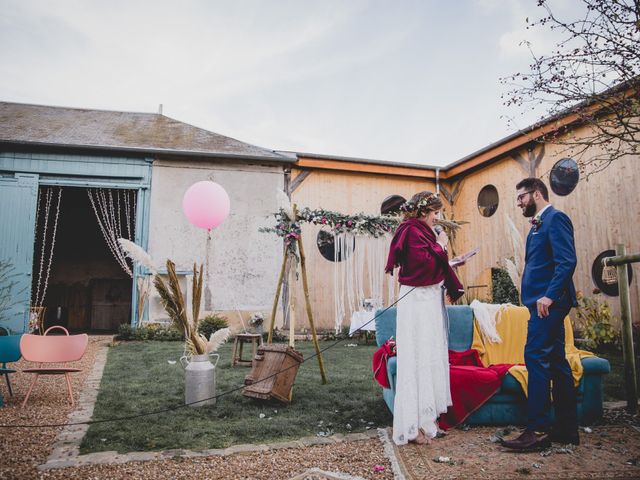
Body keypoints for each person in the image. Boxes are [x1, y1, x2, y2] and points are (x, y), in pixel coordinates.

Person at [503, 177, 579, 451]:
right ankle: (567, 429)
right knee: (557, 361)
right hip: (543, 303)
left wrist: (548, 295)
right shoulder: (539, 223)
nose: (519, 202)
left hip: (547, 304)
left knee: (535, 357)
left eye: (521, 197)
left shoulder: (555, 219)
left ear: (536, 194)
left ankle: (537, 430)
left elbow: (567, 260)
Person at [385, 191, 464, 445]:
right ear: (423, 212)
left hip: (428, 301)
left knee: (429, 357)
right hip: (417, 304)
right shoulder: (411, 230)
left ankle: (426, 421)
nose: (437, 218)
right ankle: (411, 427)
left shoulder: (421, 231)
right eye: (435, 213)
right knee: (416, 359)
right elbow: (422, 267)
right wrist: (441, 245)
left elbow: (432, 264)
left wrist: (448, 264)